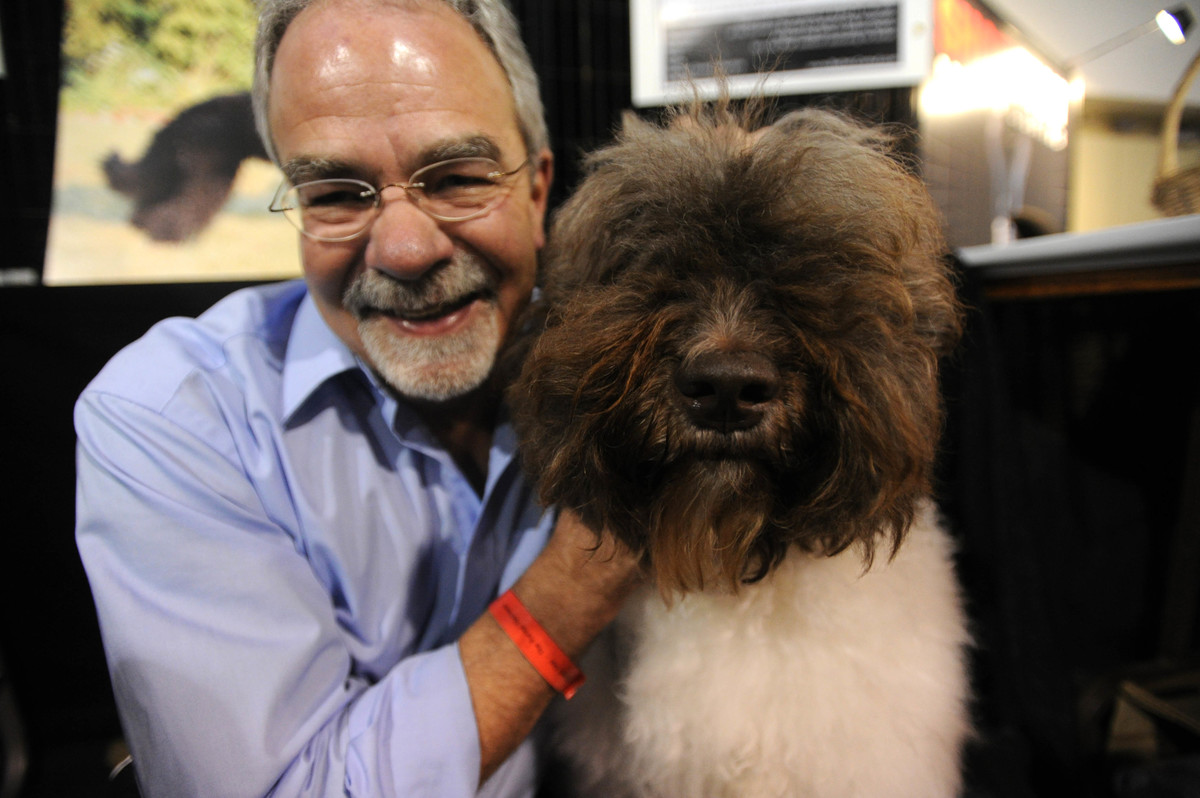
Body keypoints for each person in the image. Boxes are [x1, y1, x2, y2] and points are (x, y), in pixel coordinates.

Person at [73, 0, 642, 795]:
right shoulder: (177, 417)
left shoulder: (626, 374)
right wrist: (583, 577)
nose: (406, 250)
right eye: (337, 193)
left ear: (539, 190)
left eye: (457, 179)